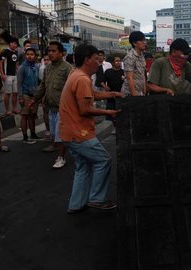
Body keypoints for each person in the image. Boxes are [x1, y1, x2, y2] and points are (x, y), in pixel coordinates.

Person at [60, 44, 124, 213]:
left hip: (68, 132)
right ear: (87, 60)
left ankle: (76, 204)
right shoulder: (82, 79)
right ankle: (96, 199)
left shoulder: (76, 74)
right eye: (96, 59)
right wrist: (109, 112)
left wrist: (113, 94)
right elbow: (85, 109)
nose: (99, 62)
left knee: (83, 166)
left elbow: (91, 94)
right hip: (79, 134)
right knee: (103, 160)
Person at [29, 41, 72, 169]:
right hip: (50, 107)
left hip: (63, 108)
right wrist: (34, 99)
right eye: (49, 51)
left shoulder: (67, 68)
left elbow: (72, 88)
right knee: (54, 134)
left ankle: (61, 157)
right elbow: (43, 86)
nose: (50, 53)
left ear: (61, 53)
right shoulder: (48, 68)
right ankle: (67, 150)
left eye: (54, 51)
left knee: (59, 135)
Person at [17, 48, 41, 144]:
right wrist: (20, 96)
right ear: (25, 56)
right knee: (25, 115)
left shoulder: (36, 66)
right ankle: (25, 136)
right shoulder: (22, 68)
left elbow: (38, 81)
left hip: (34, 95)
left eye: (32, 54)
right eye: (28, 54)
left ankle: (33, 134)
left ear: (35, 56)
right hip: (25, 94)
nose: (30, 56)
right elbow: (19, 83)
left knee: (32, 115)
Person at [101, 55, 124, 132]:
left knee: (121, 112)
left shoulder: (123, 72)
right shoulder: (108, 71)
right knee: (111, 113)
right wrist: (105, 87)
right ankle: (114, 127)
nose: (119, 62)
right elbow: (102, 82)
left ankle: (120, 127)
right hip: (111, 96)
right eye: (117, 61)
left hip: (121, 96)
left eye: (120, 61)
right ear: (113, 63)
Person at [0, 37, 20, 115]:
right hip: (7, 75)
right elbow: (0, 63)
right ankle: (7, 110)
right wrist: (2, 74)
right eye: (12, 43)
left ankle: (14, 108)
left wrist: (19, 72)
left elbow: (17, 64)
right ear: (9, 43)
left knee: (15, 93)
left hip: (15, 75)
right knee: (7, 93)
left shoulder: (16, 52)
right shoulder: (5, 52)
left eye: (15, 43)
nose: (14, 45)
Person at [121, 31, 146, 96]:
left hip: (139, 92)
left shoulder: (142, 55)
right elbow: (129, 78)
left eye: (144, 40)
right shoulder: (130, 57)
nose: (144, 42)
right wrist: (134, 96)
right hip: (130, 94)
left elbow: (142, 74)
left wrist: (144, 90)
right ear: (134, 43)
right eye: (141, 40)